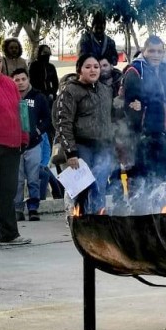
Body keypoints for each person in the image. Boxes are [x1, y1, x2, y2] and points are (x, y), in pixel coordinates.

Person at [0, 46, 31, 247]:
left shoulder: (9, 84)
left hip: (12, 144)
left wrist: (24, 135)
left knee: (8, 191)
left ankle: (8, 234)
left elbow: (20, 110)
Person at [56, 54, 114, 213]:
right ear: (79, 70)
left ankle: (97, 218)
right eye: (88, 67)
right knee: (81, 186)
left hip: (103, 147)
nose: (93, 70)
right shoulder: (70, 91)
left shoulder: (105, 90)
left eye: (96, 66)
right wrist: (71, 152)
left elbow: (112, 116)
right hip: (81, 147)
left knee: (100, 184)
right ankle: (78, 218)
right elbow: (63, 122)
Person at [123, 36, 166, 180]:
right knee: (141, 180)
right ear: (144, 51)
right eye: (151, 51)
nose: (156, 55)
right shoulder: (135, 70)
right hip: (142, 136)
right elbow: (131, 105)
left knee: (163, 180)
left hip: (164, 135)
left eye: (159, 52)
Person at [12, 69, 51, 222]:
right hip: (14, 145)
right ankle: (17, 209)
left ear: (28, 79)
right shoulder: (9, 96)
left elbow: (48, 119)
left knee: (34, 178)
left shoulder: (38, 97)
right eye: (17, 80)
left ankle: (33, 208)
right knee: (18, 180)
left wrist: (38, 130)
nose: (20, 82)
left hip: (34, 144)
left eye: (23, 79)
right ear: (12, 81)